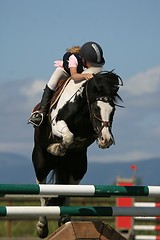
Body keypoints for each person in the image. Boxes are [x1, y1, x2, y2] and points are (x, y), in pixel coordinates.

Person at [28, 45, 93, 127]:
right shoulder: (74, 58)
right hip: (65, 72)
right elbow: (74, 76)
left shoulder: (90, 63)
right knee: (51, 84)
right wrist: (85, 76)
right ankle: (41, 112)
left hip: (78, 74)